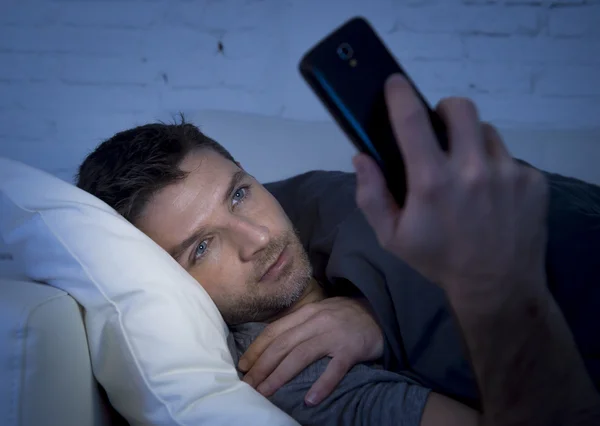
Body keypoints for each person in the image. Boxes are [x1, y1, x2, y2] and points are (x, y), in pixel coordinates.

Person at [75, 74, 600, 425]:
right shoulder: (287, 370)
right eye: (203, 247)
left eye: (239, 193)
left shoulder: (314, 203)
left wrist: (375, 311)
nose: (258, 240)